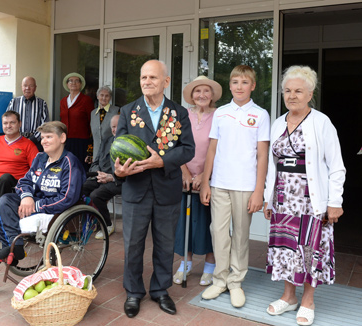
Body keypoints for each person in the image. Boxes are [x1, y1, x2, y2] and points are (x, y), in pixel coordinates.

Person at [263, 66, 345, 326]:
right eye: (287, 91)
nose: (292, 95)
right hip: (283, 199)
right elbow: (270, 165)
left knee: (311, 250)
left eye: (298, 91)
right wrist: (268, 197)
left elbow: (336, 166)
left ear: (310, 93)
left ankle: (308, 300)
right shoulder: (278, 123)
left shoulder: (321, 122)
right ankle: (288, 297)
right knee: (287, 248)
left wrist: (335, 202)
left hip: (312, 201)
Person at [114, 60, 195, 318]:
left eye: (153, 77)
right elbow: (116, 148)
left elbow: (187, 148)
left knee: (165, 244)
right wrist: (118, 170)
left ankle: (160, 290)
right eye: (143, 77)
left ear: (166, 81)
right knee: (133, 244)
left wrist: (163, 161)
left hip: (166, 189)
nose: (147, 82)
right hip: (135, 190)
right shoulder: (128, 111)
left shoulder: (179, 112)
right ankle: (133, 292)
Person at [200, 65, 270, 308]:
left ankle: (236, 281)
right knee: (218, 231)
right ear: (230, 86)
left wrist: (259, 190)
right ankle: (219, 280)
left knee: (241, 234)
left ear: (252, 85)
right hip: (220, 183)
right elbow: (211, 149)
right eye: (235, 82)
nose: (239, 86)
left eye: (244, 82)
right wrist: (206, 182)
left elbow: (263, 155)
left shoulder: (261, 114)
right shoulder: (220, 113)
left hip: (245, 185)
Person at [0, 121, 85, 264]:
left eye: (49, 137)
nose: (44, 141)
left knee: (2, 207)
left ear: (62, 138)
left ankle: (14, 249)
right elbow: (24, 182)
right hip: (33, 202)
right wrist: (26, 197)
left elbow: (67, 198)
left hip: (52, 209)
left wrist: (36, 205)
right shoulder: (40, 158)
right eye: (42, 137)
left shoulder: (70, 163)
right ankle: (14, 248)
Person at [173, 76, 221, 286]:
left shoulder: (219, 116)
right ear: (191, 95)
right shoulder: (183, 115)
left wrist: (204, 175)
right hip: (183, 179)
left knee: (209, 223)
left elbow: (221, 148)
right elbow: (175, 145)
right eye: (197, 91)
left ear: (212, 95)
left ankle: (210, 266)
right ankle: (186, 263)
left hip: (210, 178)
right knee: (184, 223)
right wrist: (184, 171)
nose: (201, 95)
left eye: (206, 91)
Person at [83, 115, 121, 239]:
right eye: (113, 127)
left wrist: (111, 177)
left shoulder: (128, 143)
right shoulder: (106, 141)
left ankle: (107, 225)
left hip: (117, 180)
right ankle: (92, 220)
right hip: (100, 177)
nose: (115, 129)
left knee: (96, 195)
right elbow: (95, 162)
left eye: (118, 126)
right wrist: (98, 173)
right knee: (82, 188)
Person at [60, 72, 94, 169]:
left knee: (79, 167)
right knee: (66, 166)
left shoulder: (86, 100)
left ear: (81, 84)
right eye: (71, 81)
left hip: (81, 141)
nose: (73, 83)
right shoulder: (63, 101)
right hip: (65, 140)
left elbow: (91, 121)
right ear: (67, 84)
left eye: (76, 81)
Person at [7, 76, 50, 151]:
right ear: (21, 87)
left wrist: (33, 139)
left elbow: (45, 125)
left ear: (35, 88)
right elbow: (7, 122)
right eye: (25, 85)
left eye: (31, 86)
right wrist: (16, 137)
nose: (27, 88)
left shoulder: (42, 103)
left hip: (36, 142)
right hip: (17, 141)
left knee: (35, 162)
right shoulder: (13, 102)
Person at [88, 86, 119, 164]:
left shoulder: (117, 111)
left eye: (107, 96)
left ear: (110, 98)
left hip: (111, 154)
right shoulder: (93, 113)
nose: (104, 98)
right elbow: (92, 136)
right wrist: (90, 154)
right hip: (96, 155)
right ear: (97, 96)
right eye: (102, 95)